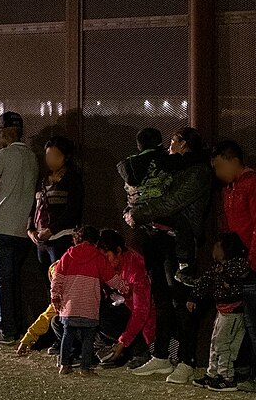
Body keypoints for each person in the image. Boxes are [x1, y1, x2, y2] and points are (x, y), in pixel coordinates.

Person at [127, 127, 213, 384]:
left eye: (174, 140)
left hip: (179, 241)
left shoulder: (198, 171)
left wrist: (139, 213)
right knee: (162, 300)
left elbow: (172, 202)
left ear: (185, 144)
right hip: (158, 238)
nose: (169, 145)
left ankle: (187, 360)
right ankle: (162, 356)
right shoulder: (170, 167)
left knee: (181, 301)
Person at [210, 140, 256, 392]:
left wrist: (252, 262)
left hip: (253, 266)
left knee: (255, 324)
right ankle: (243, 368)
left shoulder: (254, 184)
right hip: (237, 265)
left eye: (219, 166)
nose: (217, 173)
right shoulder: (229, 188)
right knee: (240, 323)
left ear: (233, 161)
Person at [0, 111, 39, 344]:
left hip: (3, 224)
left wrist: (0, 191)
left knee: (2, 281)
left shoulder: (3, 154)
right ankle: (16, 326)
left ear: (4, 133)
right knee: (14, 279)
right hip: (23, 228)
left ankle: (6, 329)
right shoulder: (33, 157)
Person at [49, 224, 132, 376]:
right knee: (88, 338)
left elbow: (56, 279)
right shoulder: (99, 258)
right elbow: (112, 279)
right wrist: (125, 287)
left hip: (70, 306)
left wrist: (55, 297)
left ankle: (64, 365)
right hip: (90, 306)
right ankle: (85, 368)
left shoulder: (67, 256)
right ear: (96, 241)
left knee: (67, 335)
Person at [188, 233, 252, 393]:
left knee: (226, 346)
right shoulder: (216, 269)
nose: (213, 250)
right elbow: (204, 281)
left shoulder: (237, 264)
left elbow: (242, 270)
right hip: (222, 312)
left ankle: (227, 378)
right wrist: (194, 296)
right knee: (215, 343)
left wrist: (226, 275)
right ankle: (213, 374)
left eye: (217, 246)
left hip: (233, 313)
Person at [95, 228, 156, 369]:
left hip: (143, 316)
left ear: (118, 250)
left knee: (107, 318)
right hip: (123, 307)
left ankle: (141, 351)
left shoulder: (136, 265)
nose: (104, 263)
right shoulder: (108, 266)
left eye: (107, 257)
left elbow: (142, 310)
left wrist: (123, 342)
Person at [29, 135, 84, 268]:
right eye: (48, 155)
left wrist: (51, 230)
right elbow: (34, 207)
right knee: (48, 280)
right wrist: (30, 230)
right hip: (41, 240)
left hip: (62, 238)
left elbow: (73, 209)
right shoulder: (43, 179)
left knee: (61, 278)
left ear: (65, 157)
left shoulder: (72, 179)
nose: (50, 160)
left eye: (55, 156)